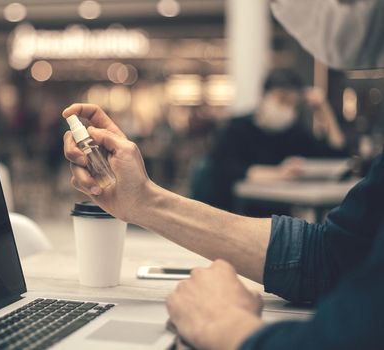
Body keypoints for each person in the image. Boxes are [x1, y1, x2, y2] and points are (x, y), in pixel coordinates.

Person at [62, 0, 384, 348]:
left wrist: (226, 324)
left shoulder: (295, 129)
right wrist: (141, 201)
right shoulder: (237, 128)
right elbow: (331, 256)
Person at [198, 69, 347, 214]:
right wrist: (277, 173)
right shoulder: (236, 128)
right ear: (263, 96)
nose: (287, 108)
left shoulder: (294, 133)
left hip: (275, 221)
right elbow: (225, 169)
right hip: (233, 213)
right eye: (282, 99)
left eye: (292, 104)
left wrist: (324, 109)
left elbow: (336, 153)